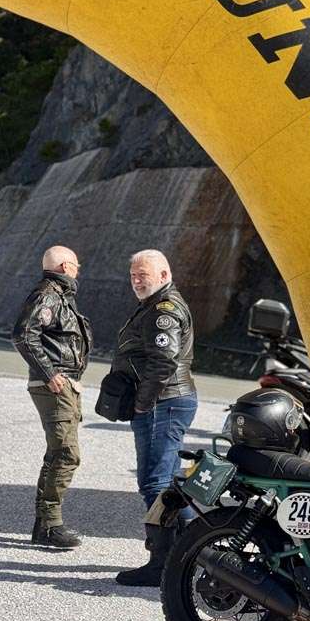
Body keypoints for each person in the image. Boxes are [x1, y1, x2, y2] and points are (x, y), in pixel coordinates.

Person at [110, 249, 198, 586]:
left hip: (163, 402)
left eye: (143, 275)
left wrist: (143, 403)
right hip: (166, 401)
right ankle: (194, 554)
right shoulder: (153, 304)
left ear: (164, 275)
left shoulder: (164, 310)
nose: (136, 280)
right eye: (133, 275)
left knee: (155, 482)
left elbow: (164, 360)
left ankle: (164, 564)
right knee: (169, 483)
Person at [12, 245, 92, 549]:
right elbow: (24, 334)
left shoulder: (59, 295)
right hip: (55, 385)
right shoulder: (48, 294)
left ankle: (43, 525)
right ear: (64, 266)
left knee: (57, 453)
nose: (78, 270)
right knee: (67, 454)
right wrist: (50, 374)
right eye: (76, 265)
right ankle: (51, 525)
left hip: (63, 384)